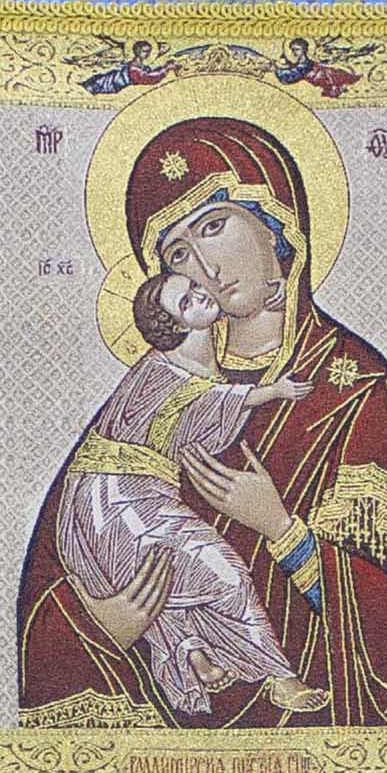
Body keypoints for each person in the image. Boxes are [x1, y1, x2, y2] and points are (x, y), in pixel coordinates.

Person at [17, 116, 387, 730]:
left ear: (277, 224)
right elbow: (56, 573)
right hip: (160, 733)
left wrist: (280, 528)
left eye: (214, 226)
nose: (205, 267)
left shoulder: (351, 384)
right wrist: (105, 623)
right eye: (179, 254)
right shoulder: (154, 390)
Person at [54, 273, 328, 719]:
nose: (201, 295)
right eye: (187, 301)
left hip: (135, 493)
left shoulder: (189, 362)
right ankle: (279, 676)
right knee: (224, 575)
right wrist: (275, 391)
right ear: (176, 325)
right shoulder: (161, 370)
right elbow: (210, 399)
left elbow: (205, 406)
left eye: (195, 289)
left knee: (163, 579)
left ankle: (191, 651)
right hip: (114, 498)